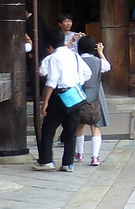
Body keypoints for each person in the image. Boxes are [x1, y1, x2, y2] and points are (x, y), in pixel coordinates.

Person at [35, 27, 86, 171]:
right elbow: (86, 73)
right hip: (74, 94)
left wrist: (45, 102)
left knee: (48, 129)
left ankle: (46, 160)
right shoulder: (74, 55)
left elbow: (52, 81)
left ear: (50, 43)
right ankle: (68, 163)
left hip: (59, 95)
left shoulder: (53, 57)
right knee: (71, 131)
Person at [75, 34, 111, 167]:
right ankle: (95, 157)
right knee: (95, 126)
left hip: (79, 94)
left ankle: (79, 153)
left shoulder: (77, 60)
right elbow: (107, 67)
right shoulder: (97, 61)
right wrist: (101, 53)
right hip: (96, 93)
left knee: (79, 126)